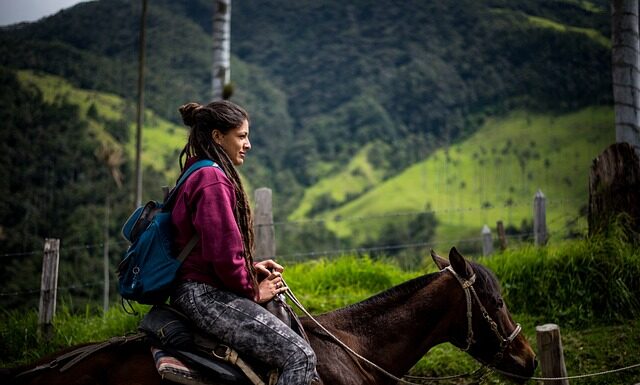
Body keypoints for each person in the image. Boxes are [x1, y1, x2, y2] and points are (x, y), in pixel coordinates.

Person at [170, 100, 318, 385]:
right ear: (217, 136)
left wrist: (251, 266)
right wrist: (253, 290)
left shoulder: (196, 170)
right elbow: (223, 256)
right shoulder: (212, 178)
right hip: (205, 295)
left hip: (194, 287)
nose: (248, 144)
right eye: (241, 136)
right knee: (301, 356)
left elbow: (210, 249)